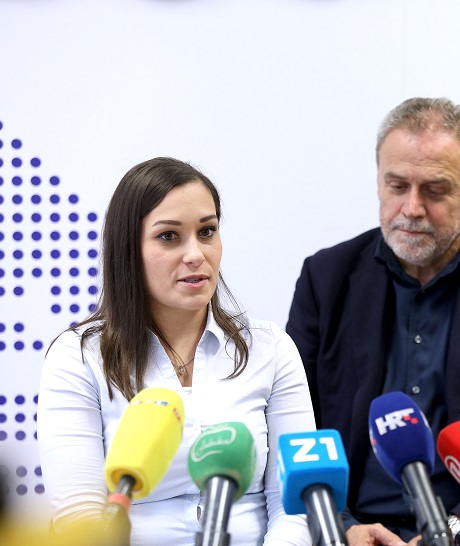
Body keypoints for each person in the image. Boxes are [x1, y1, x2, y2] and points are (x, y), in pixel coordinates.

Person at [286, 97, 460, 546]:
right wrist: (341, 525)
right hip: (350, 530)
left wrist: (452, 532)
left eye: (435, 190)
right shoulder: (325, 279)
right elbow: (294, 430)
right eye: (396, 185)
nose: (411, 208)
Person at [37, 157, 315, 546]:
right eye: (169, 236)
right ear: (128, 249)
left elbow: (294, 506)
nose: (195, 254)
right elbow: (80, 516)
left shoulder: (271, 348)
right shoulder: (78, 357)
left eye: (207, 231)